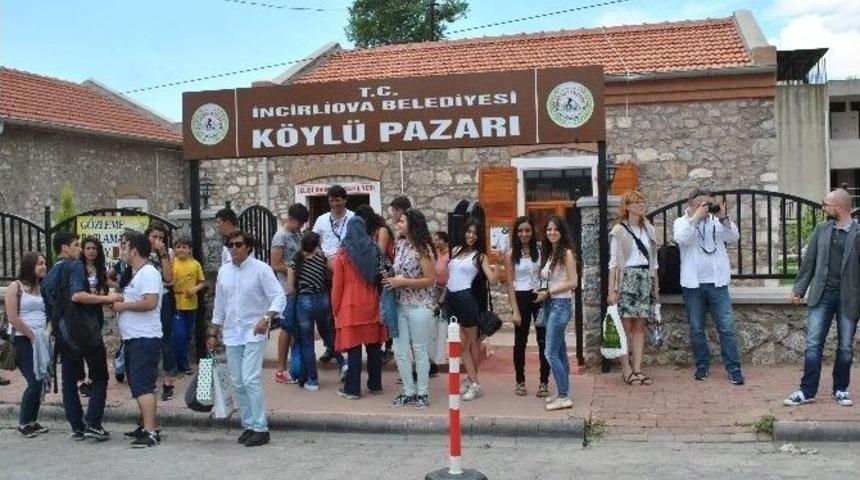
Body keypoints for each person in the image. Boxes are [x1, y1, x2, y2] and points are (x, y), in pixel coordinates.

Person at [785, 189, 860, 407]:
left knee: (845, 346)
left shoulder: (857, 233)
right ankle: (807, 391)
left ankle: (841, 389)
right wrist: (798, 289)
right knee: (813, 343)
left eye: (826, 204)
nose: (823, 207)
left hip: (849, 298)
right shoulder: (822, 229)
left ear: (839, 207)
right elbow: (809, 262)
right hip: (822, 295)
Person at [210, 231, 286, 447]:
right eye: (230, 244)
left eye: (238, 244)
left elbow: (278, 296)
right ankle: (249, 425)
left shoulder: (261, 269)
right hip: (232, 333)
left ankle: (261, 428)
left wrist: (266, 318)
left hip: (255, 331)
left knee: (250, 377)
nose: (233, 248)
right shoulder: (224, 272)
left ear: (248, 248)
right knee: (237, 380)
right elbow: (219, 305)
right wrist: (212, 332)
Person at [43, 232, 119, 442]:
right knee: (100, 376)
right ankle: (93, 423)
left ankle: (77, 425)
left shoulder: (50, 273)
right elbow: (78, 295)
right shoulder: (74, 265)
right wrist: (107, 298)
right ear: (65, 248)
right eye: (76, 245)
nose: (80, 249)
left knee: (68, 382)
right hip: (86, 331)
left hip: (64, 334)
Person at [672, 188, 744, 385]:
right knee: (696, 328)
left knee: (727, 328)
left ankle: (734, 368)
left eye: (708, 203)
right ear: (691, 203)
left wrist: (723, 217)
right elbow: (681, 238)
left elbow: (733, 237)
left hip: (717, 283)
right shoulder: (682, 221)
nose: (705, 207)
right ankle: (702, 365)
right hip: (692, 284)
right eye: (701, 203)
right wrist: (695, 218)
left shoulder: (717, 222)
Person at [112, 233, 164, 448]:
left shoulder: (149, 272)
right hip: (133, 337)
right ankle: (144, 425)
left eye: (124, 247)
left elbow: (150, 302)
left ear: (134, 250)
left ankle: (151, 432)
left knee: (143, 385)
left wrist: (123, 306)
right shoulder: (136, 273)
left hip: (145, 337)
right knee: (137, 384)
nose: (121, 251)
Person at [438, 217, 497, 401]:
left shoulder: (480, 256)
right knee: (461, 343)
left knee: (472, 343)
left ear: (479, 236)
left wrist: (500, 263)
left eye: (474, 233)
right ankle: (473, 381)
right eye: (468, 232)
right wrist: (440, 300)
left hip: (466, 298)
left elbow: (493, 280)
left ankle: (474, 382)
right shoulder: (455, 251)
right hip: (451, 300)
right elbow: (449, 280)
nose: (471, 235)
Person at [384, 209, 437, 409]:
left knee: (419, 349)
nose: (398, 223)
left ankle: (422, 392)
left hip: (419, 306)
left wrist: (403, 282)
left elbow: (430, 279)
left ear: (412, 224)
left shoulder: (422, 248)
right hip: (399, 305)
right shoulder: (400, 245)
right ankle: (408, 390)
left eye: (402, 221)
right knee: (400, 350)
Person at [331, 217, 387, 400]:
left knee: (354, 350)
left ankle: (352, 389)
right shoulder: (375, 250)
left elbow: (337, 285)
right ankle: (375, 384)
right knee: (373, 348)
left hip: (350, 306)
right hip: (372, 304)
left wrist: (335, 308)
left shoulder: (343, 254)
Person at [608, 191, 659, 386]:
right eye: (636, 202)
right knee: (625, 325)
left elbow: (654, 263)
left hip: (645, 278)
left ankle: (638, 369)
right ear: (627, 206)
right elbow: (613, 263)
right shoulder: (619, 231)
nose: (641, 205)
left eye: (642, 201)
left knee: (640, 325)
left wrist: (656, 290)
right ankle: (626, 369)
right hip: (627, 278)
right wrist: (611, 290)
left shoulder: (649, 229)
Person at [536, 216, 579, 411]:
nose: (551, 233)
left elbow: (573, 282)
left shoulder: (566, 254)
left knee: (550, 353)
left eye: (555, 229)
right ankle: (563, 391)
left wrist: (549, 292)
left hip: (560, 305)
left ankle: (563, 396)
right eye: (548, 229)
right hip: (552, 304)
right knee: (560, 352)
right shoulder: (551, 254)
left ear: (562, 232)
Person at [504, 217, 549, 398]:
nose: (524, 234)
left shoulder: (539, 250)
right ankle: (520, 381)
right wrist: (514, 310)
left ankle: (544, 382)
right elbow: (509, 283)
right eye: (521, 231)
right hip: (521, 296)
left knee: (543, 341)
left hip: (538, 296)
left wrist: (546, 293)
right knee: (520, 342)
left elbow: (545, 275)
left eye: (527, 231)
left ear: (532, 232)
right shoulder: (511, 254)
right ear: (516, 233)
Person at [5, 252, 49, 437]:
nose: (44, 266)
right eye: (40, 263)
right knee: (34, 381)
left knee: (41, 379)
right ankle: (24, 422)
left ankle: (32, 420)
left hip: (41, 338)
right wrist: (31, 335)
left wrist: (47, 332)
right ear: (30, 265)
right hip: (23, 338)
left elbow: (49, 312)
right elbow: (13, 317)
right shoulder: (15, 287)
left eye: (45, 263)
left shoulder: (42, 287)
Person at [312, 185, 354, 365]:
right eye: (331, 200)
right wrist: (324, 258)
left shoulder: (353, 219)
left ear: (345, 200)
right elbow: (313, 243)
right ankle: (331, 346)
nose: (334, 204)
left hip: (348, 272)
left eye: (338, 200)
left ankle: (349, 346)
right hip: (326, 273)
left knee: (346, 310)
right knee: (326, 313)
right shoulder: (321, 220)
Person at [270, 203, 309, 385]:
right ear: (290, 219)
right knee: (286, 327)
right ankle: (280, 369)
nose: (300, 227)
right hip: (286, 288)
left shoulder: (297, 234)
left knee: (295, 328)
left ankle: (295, 367)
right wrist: (296, 270)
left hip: (298, 286)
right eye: (298, 223)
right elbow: (276, 264)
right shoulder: (280, 237)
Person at [287, 231, 329, 391]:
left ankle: (312, 380)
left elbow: (290, 289)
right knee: (327, 333)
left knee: (307, 343)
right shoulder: (321, 258)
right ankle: (342, 362)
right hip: (322, 299)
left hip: (304, 302)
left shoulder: (294, 262)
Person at [144, 222, 177, 401]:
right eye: (154, 237)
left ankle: (168, 382)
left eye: (161, 238)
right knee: (147, 340)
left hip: (162, 299)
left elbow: (169, 277)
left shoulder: (167, 253)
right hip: (145, 299)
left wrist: (163, 253)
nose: (157, 240)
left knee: (166, 341)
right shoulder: (139, 251)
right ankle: (149, 380)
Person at [77, 236, 109, 397]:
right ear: (83, 250)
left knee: (94, 345)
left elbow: (105, 288)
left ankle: (92, 379)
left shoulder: (100, 268)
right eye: (88, 248)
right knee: (81, 346)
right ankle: (81, 381)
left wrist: (101, 292)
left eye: (94, 248)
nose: (91, 251)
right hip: (80, 311)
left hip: (95, 311)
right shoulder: (78, 267)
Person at [171, 235, 205, 376]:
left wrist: (195, 289)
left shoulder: (195, 264)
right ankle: (177, 363)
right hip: (176, 304)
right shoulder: (173, 263)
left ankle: (184, 364)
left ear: (190, 249)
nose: (181, 250)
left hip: (191, 305)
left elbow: (202, 282)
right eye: (178, 247)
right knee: (178, 334)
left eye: (184, 247)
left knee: (187, 336)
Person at [384, 196, 412, 362]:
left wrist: (399, 280)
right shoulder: (400, 241)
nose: (393, 217)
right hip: (400, 293)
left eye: (394, 212)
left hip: (412, 297)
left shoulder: (415, 243)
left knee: (413, 339)